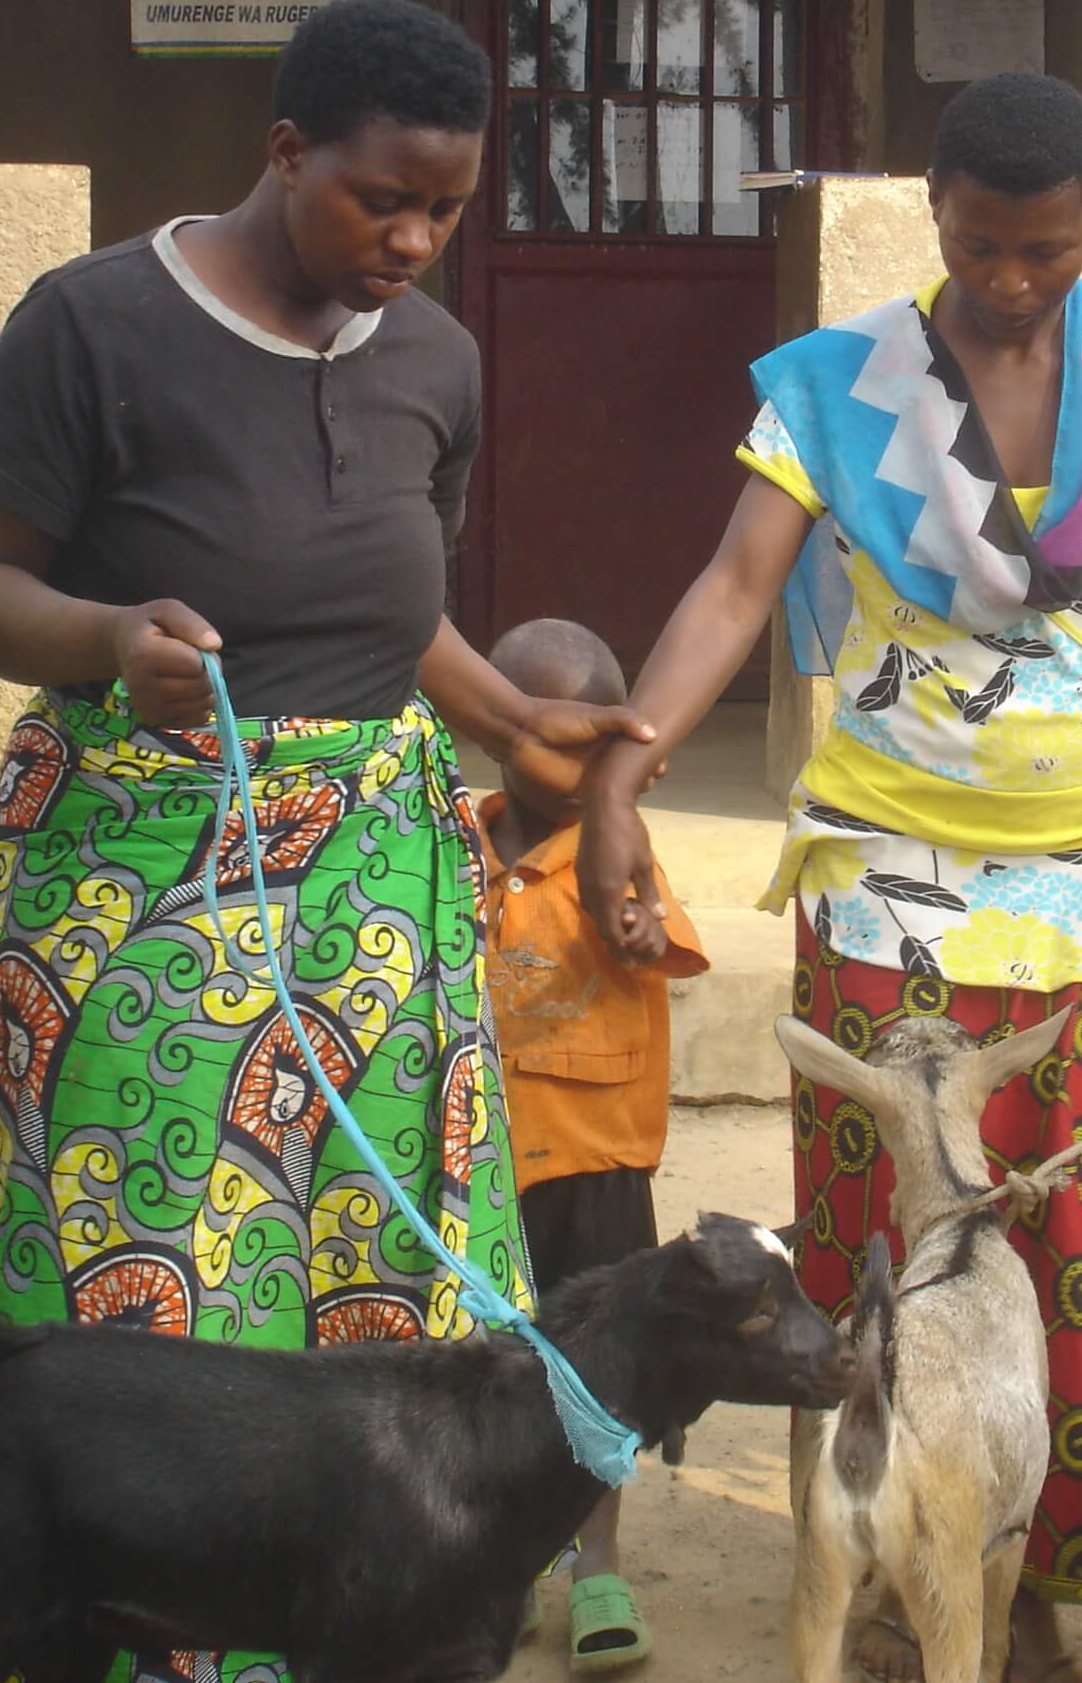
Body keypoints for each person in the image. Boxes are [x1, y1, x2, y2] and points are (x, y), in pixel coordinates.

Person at [0, 0, 650, 1683]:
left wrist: (508, 719)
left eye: (446, 208)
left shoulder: (434, 359)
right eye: (377, 199)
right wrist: (111, 638)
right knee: (167, 1284)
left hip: (377, 906)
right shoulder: (93, 322)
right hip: (146, 891)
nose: (412, 239)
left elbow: (387, 595)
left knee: (386, 1295)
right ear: (283, 151)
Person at [578, 70, 1082, 1682]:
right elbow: (737, 587)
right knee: (887, 1256)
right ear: (933, 208)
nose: (1013, 282)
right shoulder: (836, 387)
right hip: (889, 889)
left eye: (1048, 251)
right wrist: (623, 772)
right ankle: (881, 1575)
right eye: (983, 244)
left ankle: (1017, 1586)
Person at [480, 618, 708, 1676]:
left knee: (596, 1368)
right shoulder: (457, 838)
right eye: (559, 740)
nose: (583, 770)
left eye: (601, 748)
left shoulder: (619, 849)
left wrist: (641, 927)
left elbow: (666, 938)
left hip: (596, 1161)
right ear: (496, 726)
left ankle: (598, 1560)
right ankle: (503, 1562)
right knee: (486, 1362)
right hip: (479, 1158)